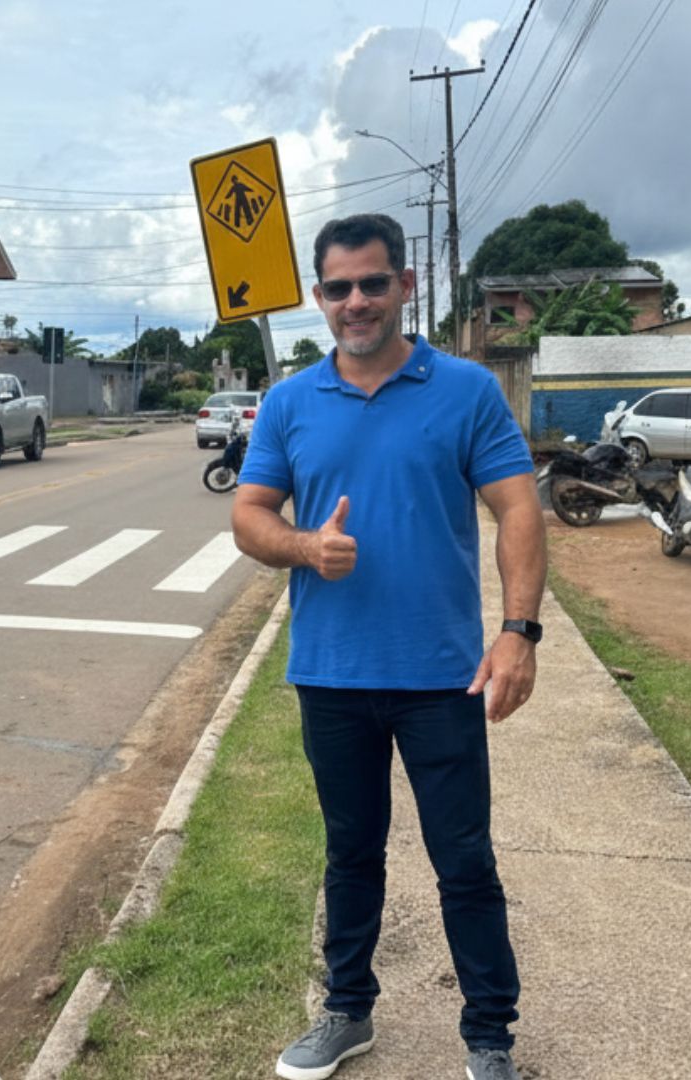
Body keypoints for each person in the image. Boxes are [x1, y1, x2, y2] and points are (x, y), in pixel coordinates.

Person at [231, 213, 546, 1080]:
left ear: (405, 285)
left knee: (464, 862)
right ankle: (347, 1012)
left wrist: (518, 633)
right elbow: (249, 515)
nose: (357, 301)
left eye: (373, 283)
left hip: (442, 677)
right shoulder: (291, 402)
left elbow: (518, 508)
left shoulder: (466, 390)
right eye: (339, 288)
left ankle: (490, 1038)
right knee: (351, 853)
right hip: (332, 674)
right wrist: (305, 546)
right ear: (320, 297)